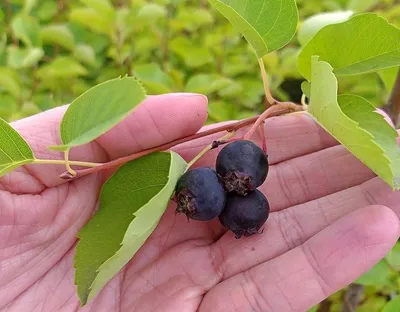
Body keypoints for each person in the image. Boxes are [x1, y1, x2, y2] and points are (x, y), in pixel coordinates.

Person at [1, 93, 399, 312]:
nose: (237, 182)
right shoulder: (212, 185)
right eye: (238, 179)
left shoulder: (225, 182)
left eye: (242, 180)